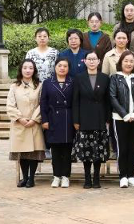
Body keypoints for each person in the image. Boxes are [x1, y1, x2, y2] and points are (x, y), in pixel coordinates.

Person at [72, 52, 111, 189]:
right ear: (85, 61)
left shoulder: (105, 78)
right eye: (89, 59)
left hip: (100, 118)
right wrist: (76, 120)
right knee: (86, 150)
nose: (92, 61)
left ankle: (96, 178)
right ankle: (87, 178)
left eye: (94, 59)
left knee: (98, 150)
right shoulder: (79, 78)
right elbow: (75, 100)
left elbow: (107, 100)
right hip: (84, 118)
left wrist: (107, 119)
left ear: (99, 61)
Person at [7, 59, 46, 188]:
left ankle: (31, 178)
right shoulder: (14, 87)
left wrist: (34, 119)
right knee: (22, 152)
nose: (28, 70)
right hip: (19, 124)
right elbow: (10, 105)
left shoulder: (39, 86)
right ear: (21, 70)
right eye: (25, 68)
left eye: (30, 68)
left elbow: (42, 104)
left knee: (33, 153)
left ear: (34, 70)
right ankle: (24, 177)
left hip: (34, 123)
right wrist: (20, 118)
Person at [109, 51, 134, 188]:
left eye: (131, 61)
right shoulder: (114, 78)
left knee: (132, 147)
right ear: (121, 62)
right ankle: (123, 176)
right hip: (119, 118)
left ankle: (131, 175)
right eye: (126, 61)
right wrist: (124, 114)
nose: (129, 63)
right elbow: (112, 97)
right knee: (122, 148)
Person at [40, 57, 75, 188]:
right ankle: (56, 176)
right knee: (55, 151)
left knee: (67, 150)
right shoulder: (48, 82)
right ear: (55, 67)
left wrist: (76, 120)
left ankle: (65, 176)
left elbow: (76, 102)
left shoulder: (73, 82)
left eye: (65, 66)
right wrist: (45, 119)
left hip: (68, 118)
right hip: (53, 118)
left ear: (68, 68)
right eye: (60, 65)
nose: (62, 68)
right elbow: (43, 102)